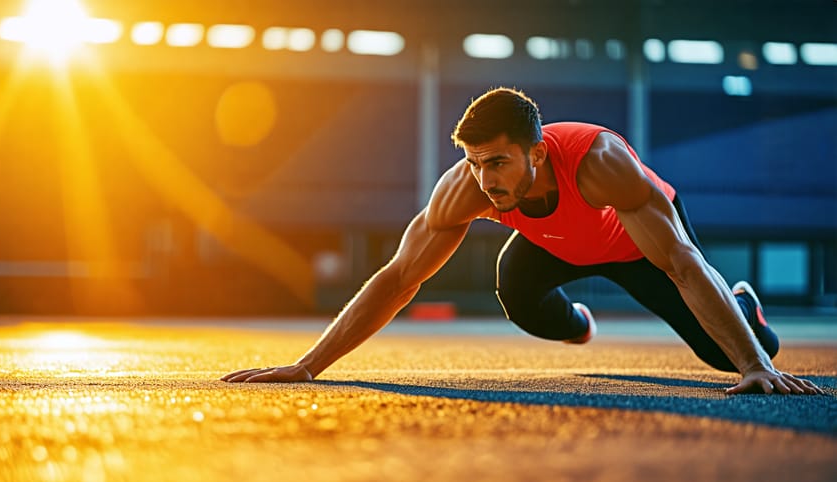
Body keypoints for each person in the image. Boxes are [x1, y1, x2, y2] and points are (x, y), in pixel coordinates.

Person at [221, 87, 822, 395]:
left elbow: (685, 265)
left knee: (730, 359)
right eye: (476, 163)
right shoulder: (468, 189)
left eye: (500, 163)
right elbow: (399, 277)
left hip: (634, 244)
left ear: (537, 152)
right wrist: (307, 366)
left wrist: (755, 363)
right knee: (517, 293)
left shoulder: (600, 164)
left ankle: (747, 311)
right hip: (554, 244)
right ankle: (579, 321)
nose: (487, 179)